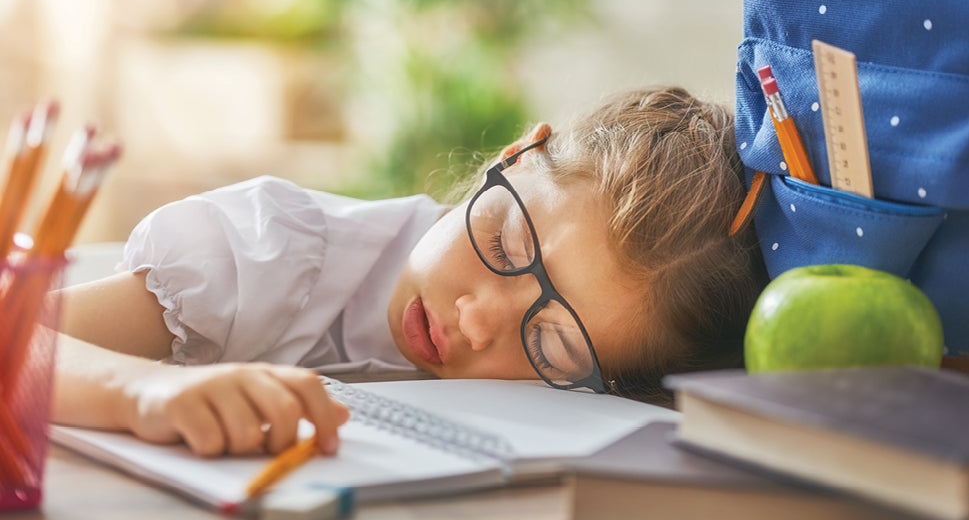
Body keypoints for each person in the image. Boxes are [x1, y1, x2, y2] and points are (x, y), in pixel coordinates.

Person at [52, 85, 767, 458]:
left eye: (552, 344)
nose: (480, 319)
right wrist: (141, 393)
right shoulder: (274, 251)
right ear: (515, 155)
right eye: (505, 242)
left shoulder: (570, 412)